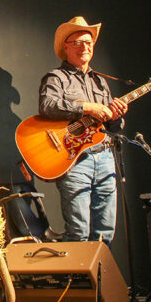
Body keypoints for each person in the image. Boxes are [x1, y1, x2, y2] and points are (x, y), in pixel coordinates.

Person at [38, 16, 127, 247]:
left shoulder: (100, 83)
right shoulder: (56, 78)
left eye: (88, 42)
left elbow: (110, 127)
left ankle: (97, 282)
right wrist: (87, 107)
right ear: (65, 47)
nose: (84, 47)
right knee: (79, 230)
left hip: (105, 156)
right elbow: (47, 106)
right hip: (75, 161)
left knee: (105, 232)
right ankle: (75, 282)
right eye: (77, 42)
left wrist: (116, 117)